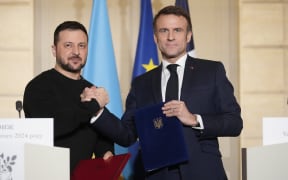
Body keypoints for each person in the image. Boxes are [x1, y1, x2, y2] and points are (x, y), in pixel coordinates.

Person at [93, 5, 243, 180]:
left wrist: (195, 119)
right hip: (157, 174)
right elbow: (127, 134)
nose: (170, 37)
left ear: (188, 36)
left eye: (177, 30)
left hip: (203, 172)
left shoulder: (212, 71)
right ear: (155, 37)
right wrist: (99, 112)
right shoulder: (141, 83)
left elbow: (235, 123)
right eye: (164, 31)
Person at [23, 21, 114, 173]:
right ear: (54, 49)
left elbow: (100, 133)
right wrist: (92, 106)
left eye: (81, 46)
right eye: (68, 45)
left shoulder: (91, 90)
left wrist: (106, 151)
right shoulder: (38, 87)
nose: (76, 52)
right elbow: (52, 126)